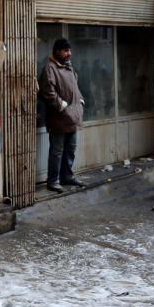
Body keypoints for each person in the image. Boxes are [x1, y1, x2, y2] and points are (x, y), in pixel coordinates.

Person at [39, 38, 85, 193]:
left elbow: (75, 87)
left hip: (73, 117)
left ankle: (67, 176)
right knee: (57, 151)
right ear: (57, 51)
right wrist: (62, 105)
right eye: (66, 51)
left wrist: (80, 100)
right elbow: (47, 92)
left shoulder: (69, 68)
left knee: (71, 149)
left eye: (69, 50)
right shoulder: (50, 68)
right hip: (59, 118)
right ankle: (53, 180)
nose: (69, 53)